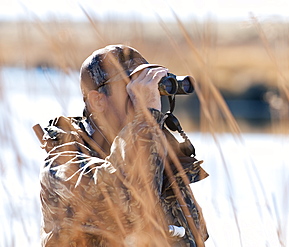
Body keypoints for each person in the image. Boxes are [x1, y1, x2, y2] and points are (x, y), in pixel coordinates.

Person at [38, 44, 209, 247]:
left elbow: (196, 235)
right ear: (97, 101)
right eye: (131, 88)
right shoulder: (63, 162)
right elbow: (128, 210)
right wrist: (145, 119)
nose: (146, 96)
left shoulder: (158, 152)